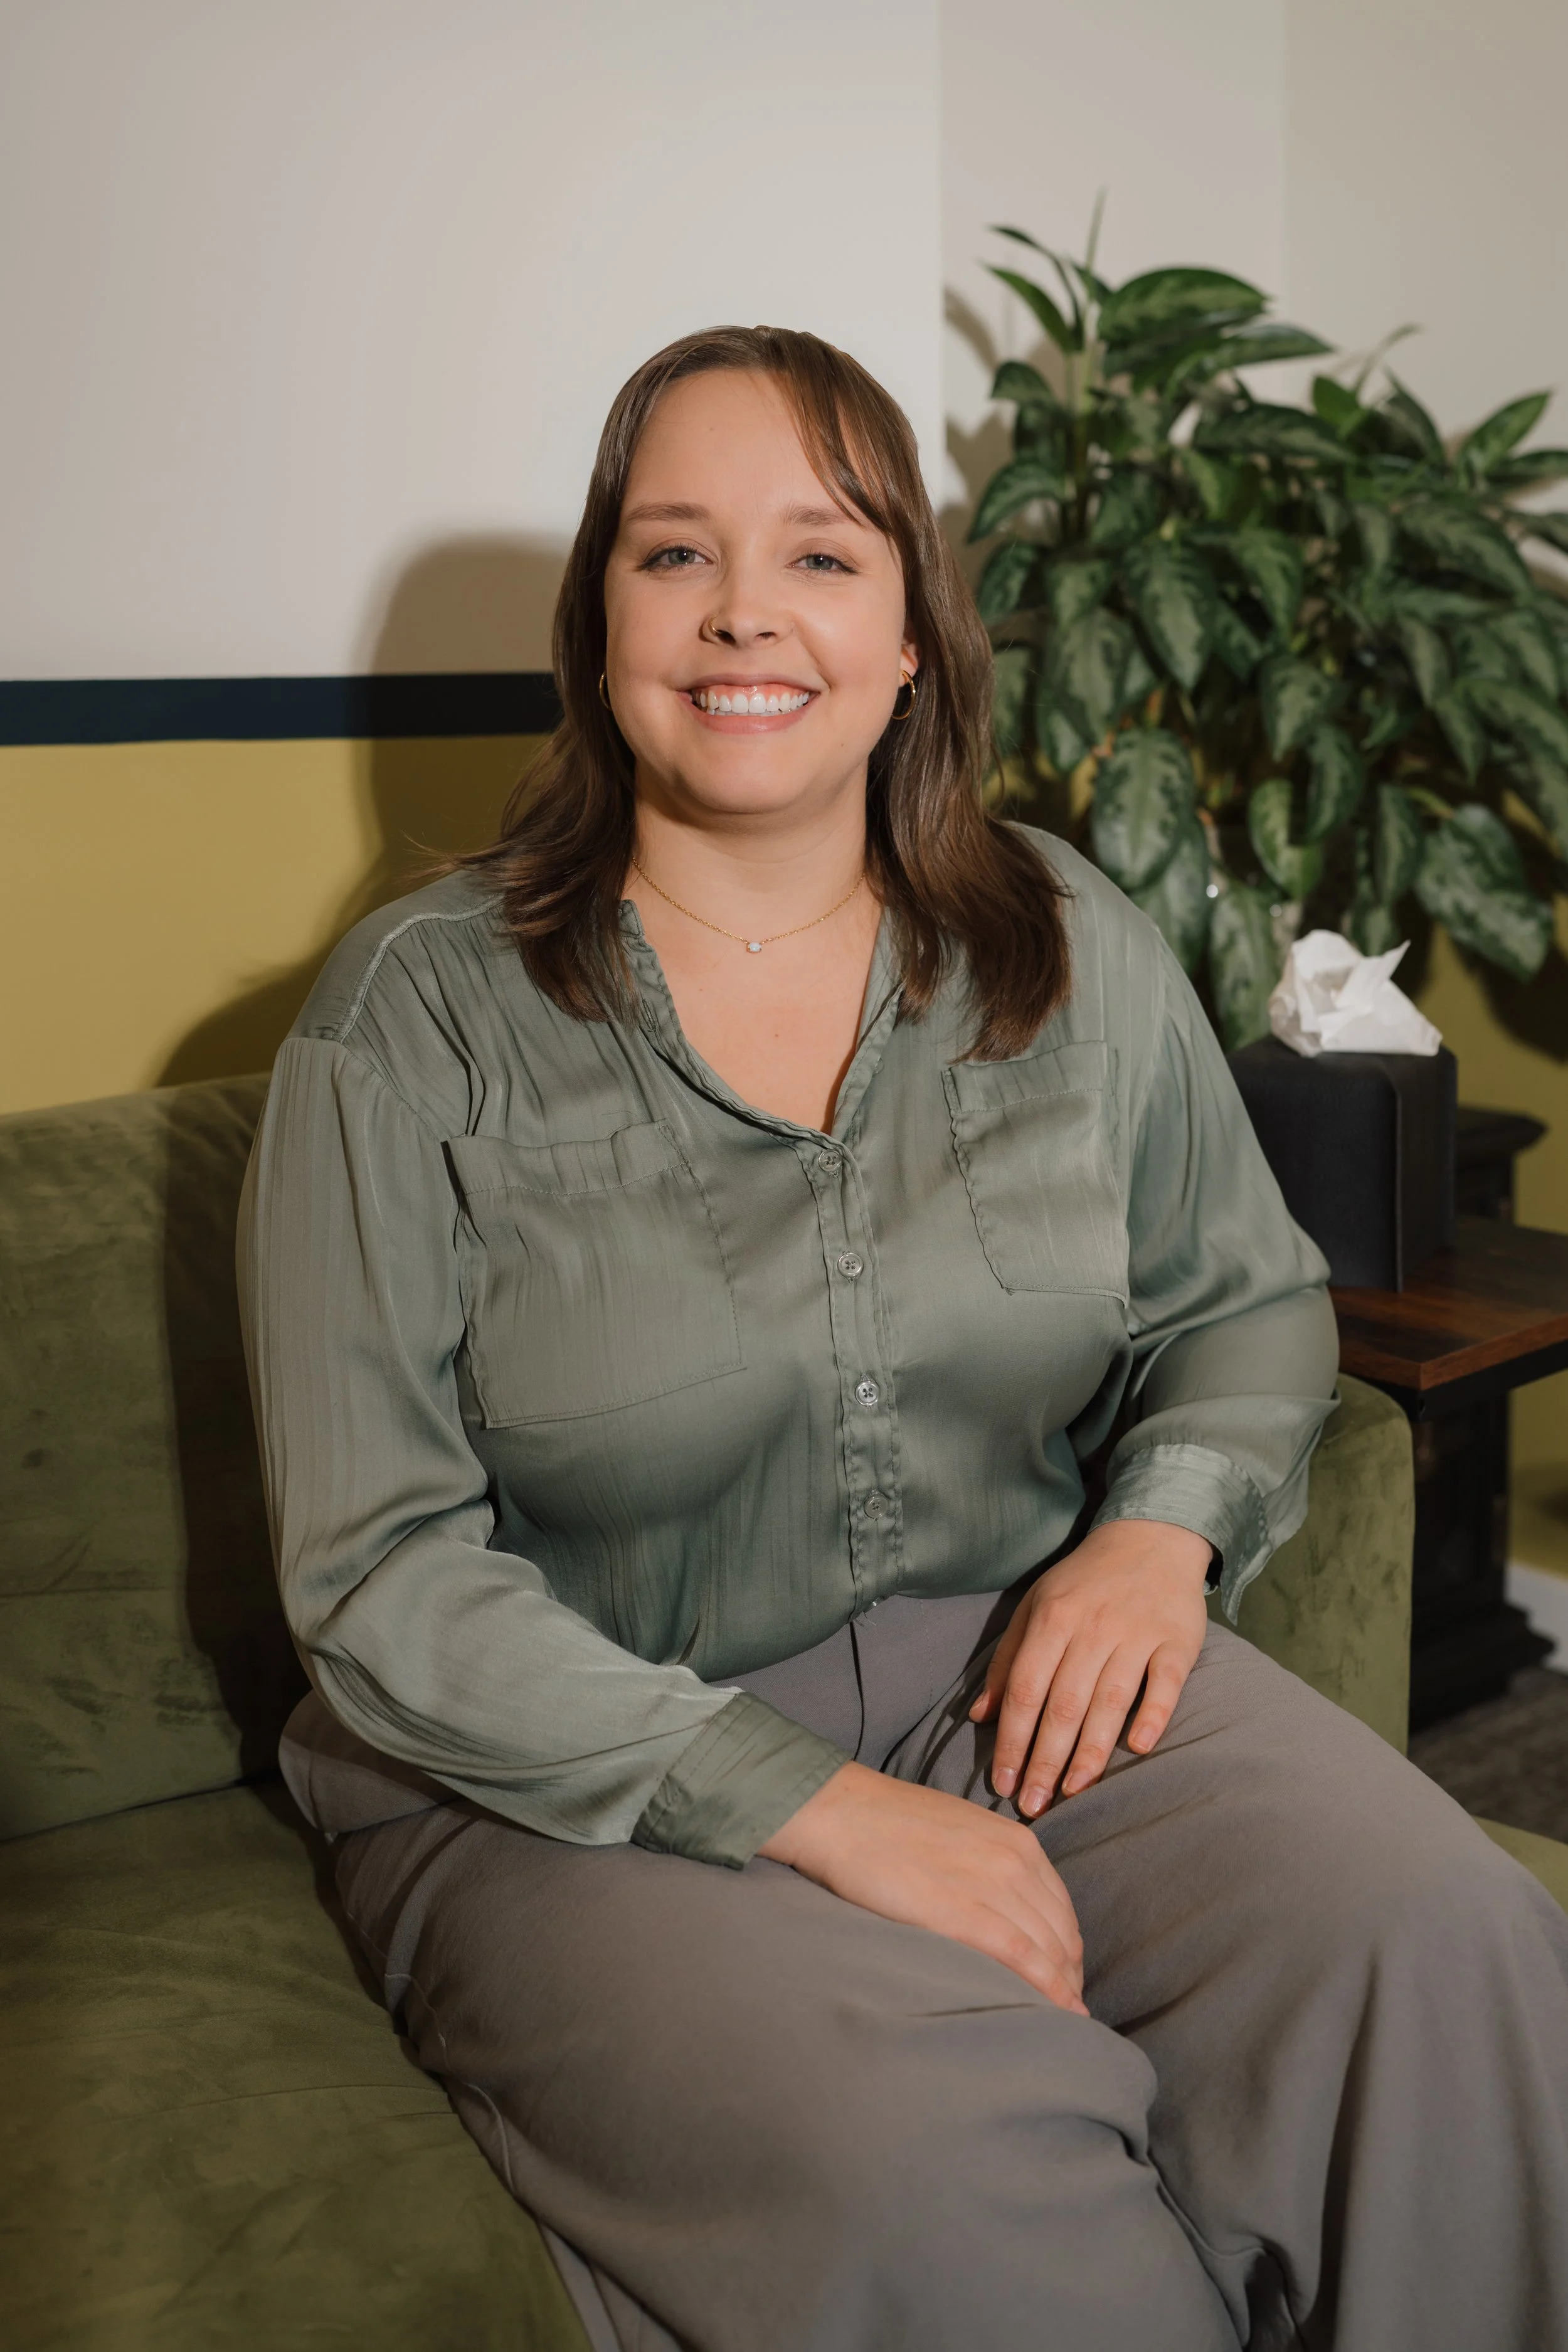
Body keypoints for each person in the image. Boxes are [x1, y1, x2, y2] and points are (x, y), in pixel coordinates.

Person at [240, 326, 1568, 2352]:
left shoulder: (1062, 939)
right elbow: (378, 1581)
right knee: (941, 2136)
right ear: (600, 621)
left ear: (914, 640)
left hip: (1007, 1673)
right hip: (549, 1772)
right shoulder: (405, 1023)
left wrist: (1157, 1535)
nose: (744, 610)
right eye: (674, 554)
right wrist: (817, 1805)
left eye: (823, 556)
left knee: (1454, 1937)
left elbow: (1246, 1306)